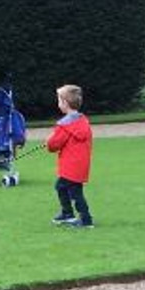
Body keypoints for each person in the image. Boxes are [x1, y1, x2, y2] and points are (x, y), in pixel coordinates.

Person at [46, 83, 94, 228]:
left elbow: (53, 145)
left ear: (65, 103)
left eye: (60, 100)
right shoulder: (83, 121)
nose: (58, 103)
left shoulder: (64, 125)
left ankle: (85, 220)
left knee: (73, 192)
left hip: (70, 167)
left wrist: (49, 141)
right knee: (63, 187)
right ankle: (68, 213)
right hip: (80, 165)